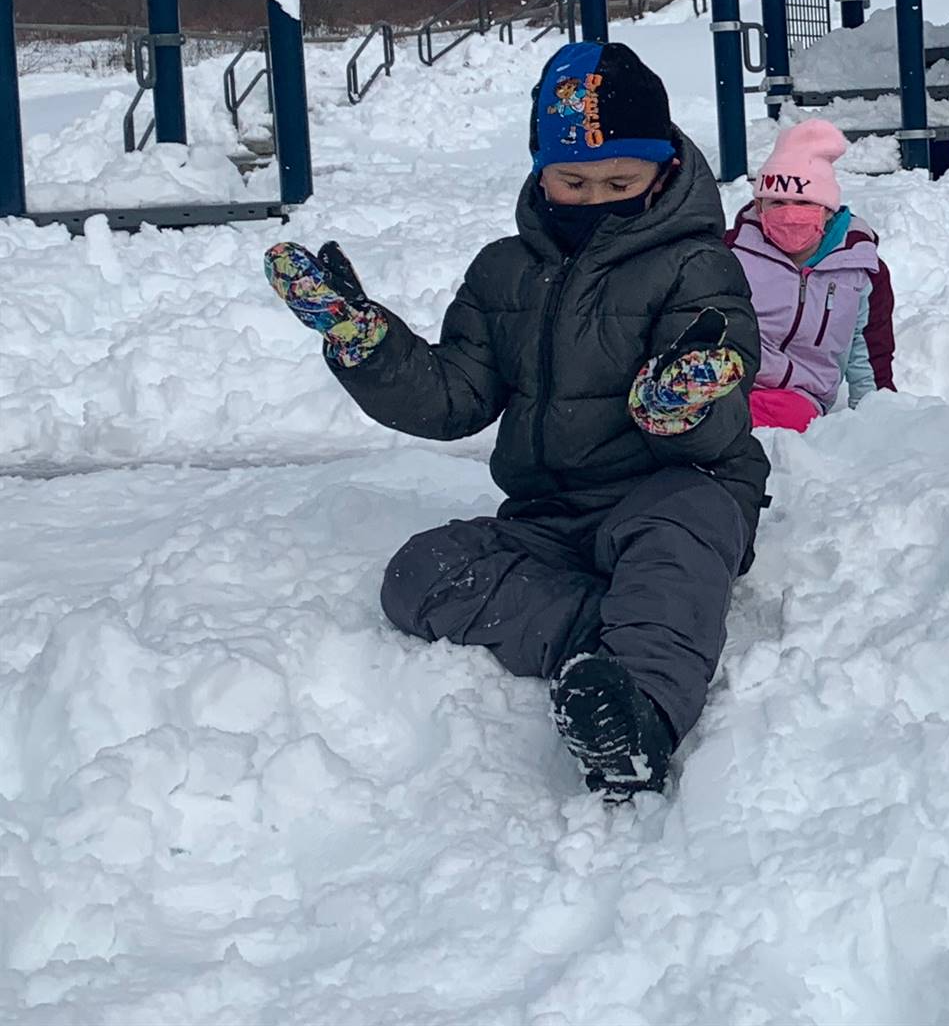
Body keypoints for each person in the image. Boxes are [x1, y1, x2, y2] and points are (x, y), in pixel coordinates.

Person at [263, 40, 767, 799]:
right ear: (540, 172)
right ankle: (619, 633)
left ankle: (643, 723)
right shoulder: (504, 271)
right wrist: (367, 344)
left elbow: (723, 408)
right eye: (573, 180)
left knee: (674, 543)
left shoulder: (697, 266)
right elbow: (455, 395)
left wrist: (678, 403)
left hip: (677, 486)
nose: (597, 198)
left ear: (664, 169)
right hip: (549, 517)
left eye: (620, 180)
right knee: (419, 573)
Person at [726, 118, 895, 432]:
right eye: (777, 202)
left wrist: (877, 417)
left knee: (782, 420)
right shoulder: (732, 254)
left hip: (800, 396)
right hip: (728, 382)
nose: (789, 213)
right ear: (759, 206)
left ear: (828, 209)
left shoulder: (860, 269)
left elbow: (869, 347)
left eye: (804, 202)